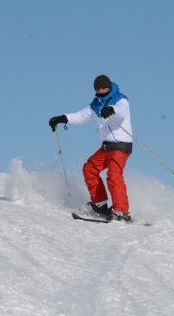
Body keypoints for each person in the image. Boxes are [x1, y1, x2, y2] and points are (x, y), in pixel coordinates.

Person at [49, 74, 133, 221]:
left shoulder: (120, 99)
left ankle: (121, 211)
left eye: (103, 88)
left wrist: (111, 110)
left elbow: (121, 110)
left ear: (109, 87)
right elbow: (81, 116)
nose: (101, 91)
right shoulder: (96, 104)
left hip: (121, 146)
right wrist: (62, 118)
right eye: (98, 89)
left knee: (113, 175)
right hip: (107, 147)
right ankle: (99, 204)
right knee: (89, 169)